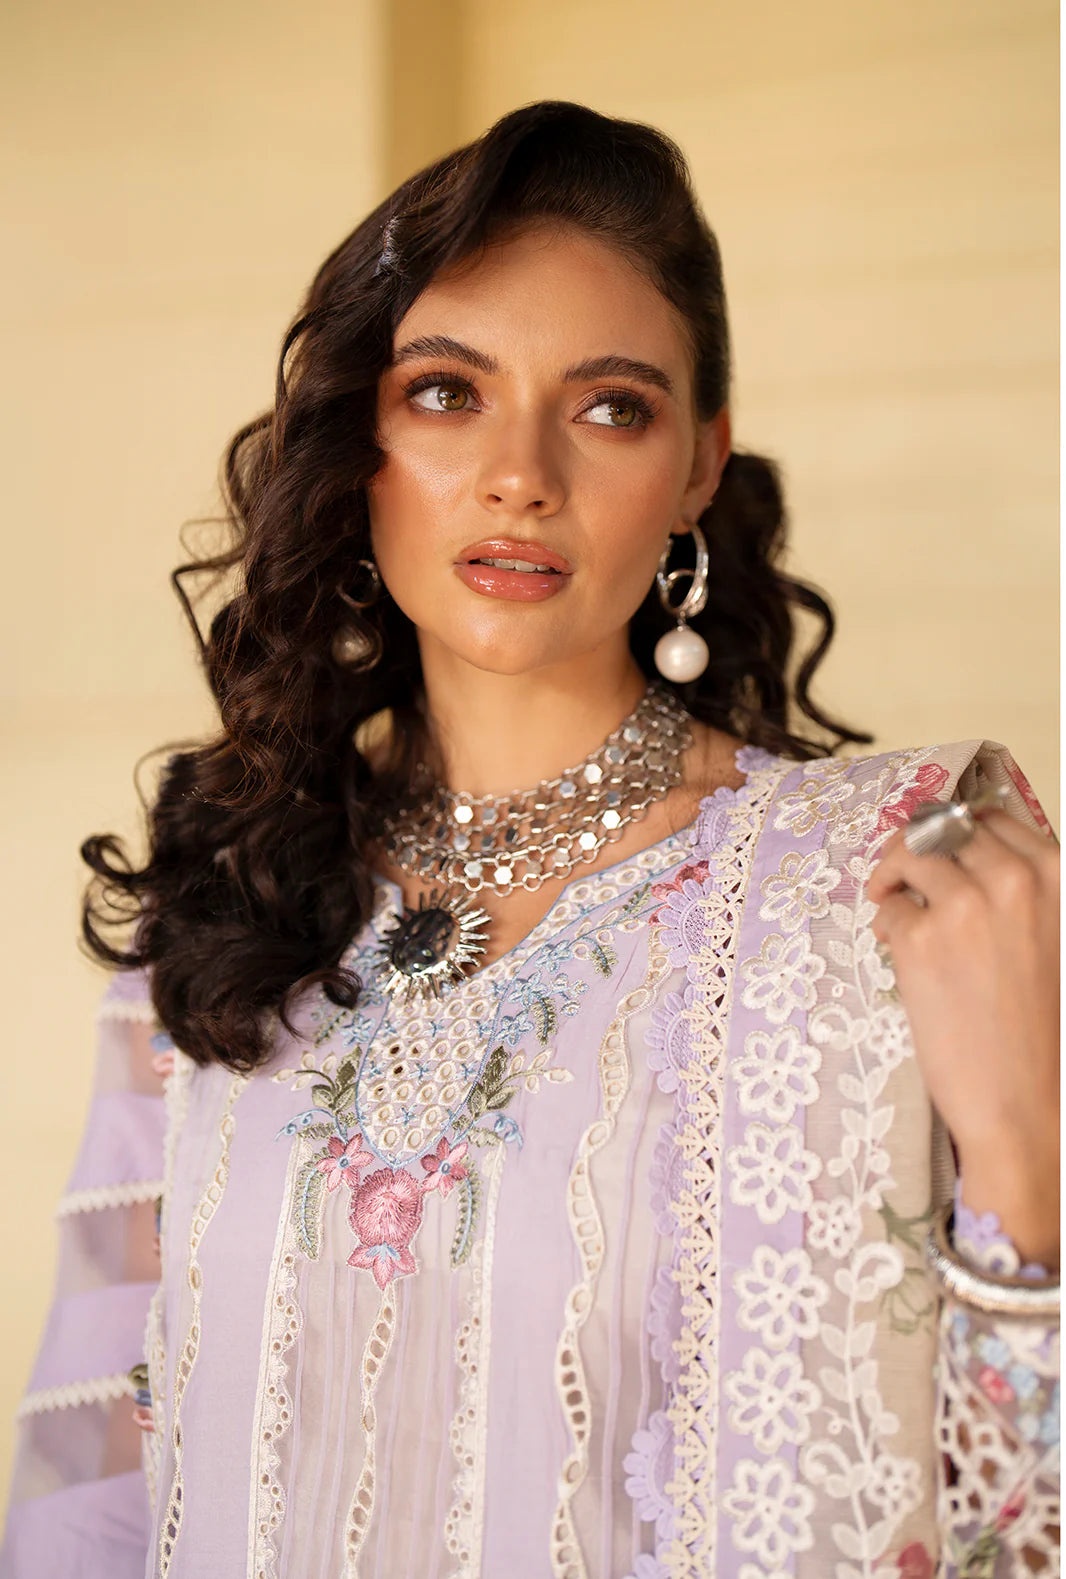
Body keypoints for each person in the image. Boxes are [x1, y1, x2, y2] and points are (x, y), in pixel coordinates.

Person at [1, 100, 1058, 1579]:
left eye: (609, 407)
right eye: (448, 393)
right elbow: (108, 1502)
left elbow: (1023, 1523)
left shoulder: (886, 883)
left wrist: (1026, 1150)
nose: (521, 475)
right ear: (359, 438)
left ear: (698, 466)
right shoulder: (237, 898)